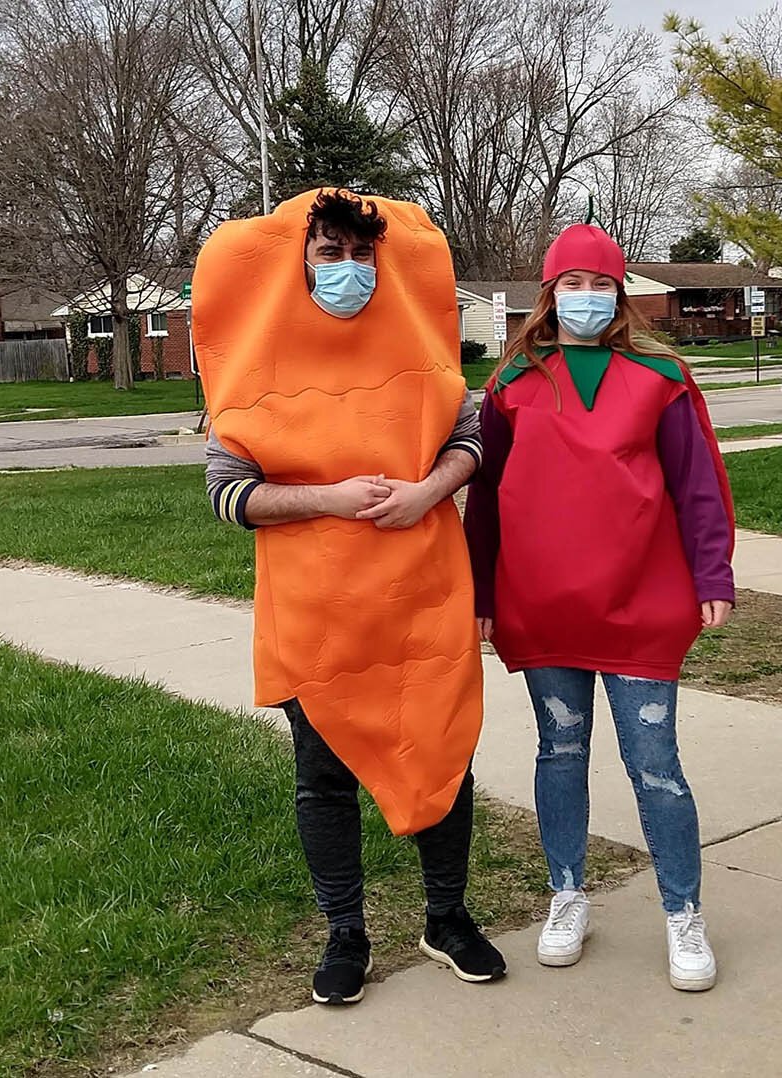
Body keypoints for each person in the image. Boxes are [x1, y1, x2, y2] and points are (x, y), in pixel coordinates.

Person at [195, 189, 506, 1007]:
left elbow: (470, 440)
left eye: (362, 255)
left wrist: (427, 490)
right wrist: (324, 500)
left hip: (422, 597)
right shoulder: (255, 373)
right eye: (328, 255)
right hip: (317, 610)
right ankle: (345, 933)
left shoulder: (422, 352)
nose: (348, 271)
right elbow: (229, 496)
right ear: (297, 267)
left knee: (443, 752)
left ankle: (448, 918)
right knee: (322, 776)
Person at [464, 223, 735, 992]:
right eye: (571, 285)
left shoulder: (661, 376)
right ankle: (567, 893)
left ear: (622, 292)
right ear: (548, 294)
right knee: (560, 752)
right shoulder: (514, 383)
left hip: (641, 601)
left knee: (655, 764)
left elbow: (697, 485)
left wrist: (712, 574)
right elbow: (485, 500)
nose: (587, 298)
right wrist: (483, 591)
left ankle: (683, 912)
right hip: (544, 602)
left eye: (601, 284)